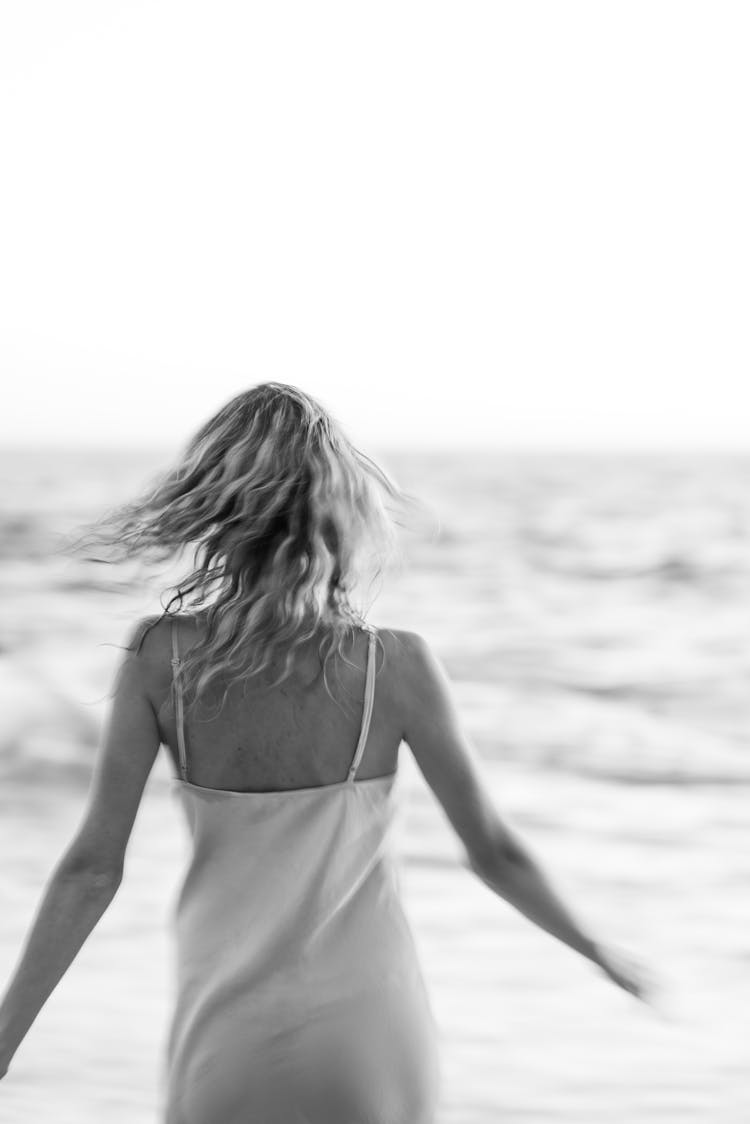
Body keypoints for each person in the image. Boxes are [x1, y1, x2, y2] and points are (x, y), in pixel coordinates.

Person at [0, 383, 649, 1121]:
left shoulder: (163, 658)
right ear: (342, 513)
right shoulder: (395, 666)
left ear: (217, 509)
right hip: (370, 1027)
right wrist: (599, 951)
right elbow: (494, 851)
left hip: (228, 1028)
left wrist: (6, 1037)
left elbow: (92, 869)